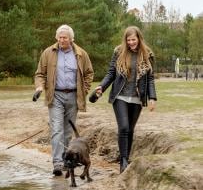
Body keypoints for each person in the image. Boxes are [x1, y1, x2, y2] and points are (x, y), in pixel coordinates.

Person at [93, 26, 157, 173]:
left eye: (133, 39)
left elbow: (150, 78)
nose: (131, 43)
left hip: (137, 97)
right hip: (120, 95)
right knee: (123, 128)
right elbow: (111, 73)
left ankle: (126, 157)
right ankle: (122, 161)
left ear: (139, 39)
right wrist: (101, 87)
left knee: (130, 130)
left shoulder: (148, 54)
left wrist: (152, 97)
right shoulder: (119, 52)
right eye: (128, 40)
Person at [34, 24, 94, 176]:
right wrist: (39, 88)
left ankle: (68, 161)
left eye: (65, 37)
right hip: (56, 96)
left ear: (71, 39)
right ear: (56, 38)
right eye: (59, 37)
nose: (62, 40)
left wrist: (84, 90)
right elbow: (40, 73)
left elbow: (89, 73)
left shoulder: (81, 54)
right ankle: (58, 163)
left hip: (74, 96)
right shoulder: (48, 53)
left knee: (68, 132)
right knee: (57, 129)